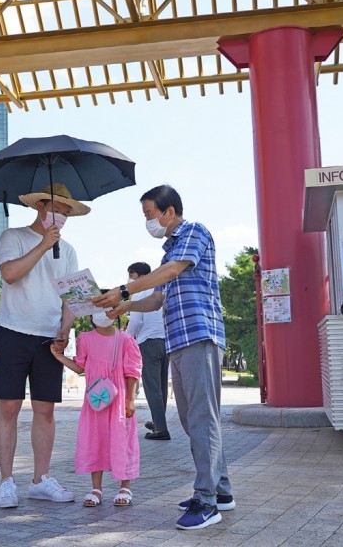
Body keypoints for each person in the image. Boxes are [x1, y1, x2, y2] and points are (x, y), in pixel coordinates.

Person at [92, 185, 232, 531]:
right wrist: (125, 305)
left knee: (202, 418)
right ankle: (222, 491)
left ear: (169, 212)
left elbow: (170, 273)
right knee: (192, 418)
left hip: (200, 335)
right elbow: (157, 298)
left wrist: (125, 290)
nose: (148, 222)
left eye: (149, 214)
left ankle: (206, 500)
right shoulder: (168, 250)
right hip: (179, 341)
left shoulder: (192, 232)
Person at [0, 183, 90, 508]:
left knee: (45, 410)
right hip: (12, 331)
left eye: (66, 211)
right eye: (56, 208)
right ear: (41, 206)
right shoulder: (14, 237)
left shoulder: (71, 250)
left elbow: (73, 297)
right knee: (9, 407)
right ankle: (7, 481)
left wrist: (65, 329)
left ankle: (40, 479)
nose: (60, 215)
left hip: (49, 337)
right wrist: (44, 245)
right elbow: (9, 274)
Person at [51, 312, 142, 507]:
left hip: (119, 401)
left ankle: (125, 487)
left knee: (122, 440)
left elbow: (132, 371)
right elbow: (79, 367)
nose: (103, 313)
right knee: (95, 439)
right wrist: (59, 356)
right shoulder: (85, 338)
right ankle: (96, 488)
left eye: (108, 308)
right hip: (96, 402)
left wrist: (130, 400)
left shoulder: (125, 340)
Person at [124, 262, 170, 440]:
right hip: (166, 342)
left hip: (148, 343)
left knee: (152, 388)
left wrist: (126, 339)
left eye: (131, 276)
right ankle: (158, 421)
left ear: (139, 276)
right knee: (162, 386)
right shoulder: (160, 293)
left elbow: (136, 322)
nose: (130, 280)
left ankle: (160, 429)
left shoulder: (139, 293)